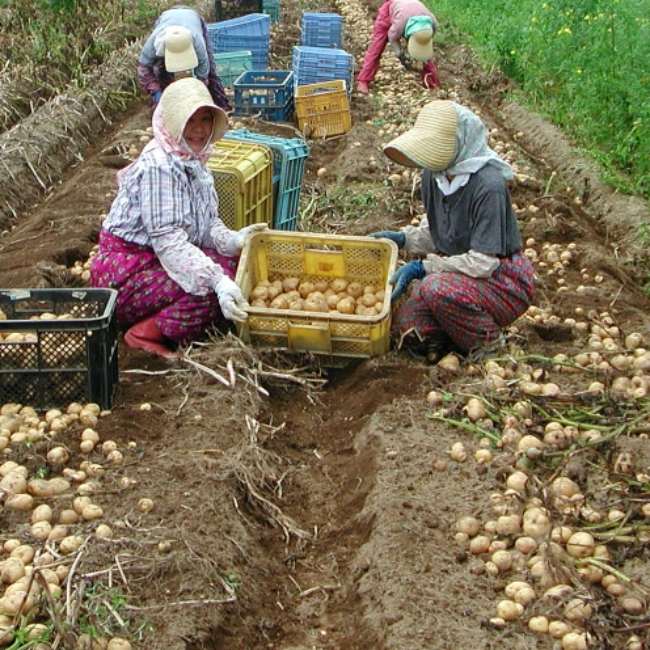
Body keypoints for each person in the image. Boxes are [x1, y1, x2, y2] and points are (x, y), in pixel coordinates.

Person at [90, 78, 266, 358]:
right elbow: (169, 242)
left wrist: (233, 240)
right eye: (190, 120)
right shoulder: (158, 166)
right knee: (211, 288)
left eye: (205, 119)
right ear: (173, 123)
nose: (199, 130)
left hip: (156, 260)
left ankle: (175, 318)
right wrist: (217, 281)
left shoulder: (193, 159)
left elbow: (206, 226)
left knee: (238, 265)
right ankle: (145, 332)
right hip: (127, 273)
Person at [371, 100, 535, 360]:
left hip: (501, 281)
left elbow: (483, 264)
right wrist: (402, 239)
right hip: (461, 276)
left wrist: (424, 268)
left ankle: (491, 347)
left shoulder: (488, 186)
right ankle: (455, 338)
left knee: (435, 287)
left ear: (461, 142)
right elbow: (439, 230)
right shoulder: (433, 175)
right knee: (407, 324)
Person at [137, 5, 230, 111]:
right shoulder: (155, 43)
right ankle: (164, 107)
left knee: (211, 72)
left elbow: (204, 69)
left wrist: (199, 90)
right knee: (160, 72)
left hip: (192, 17)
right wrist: (156, 91)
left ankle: (220, 106)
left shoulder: (197, 40)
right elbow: (143, 69)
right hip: (166, 18)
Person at [357, 0, 439, 95]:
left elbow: (428, 38)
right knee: (377, 47)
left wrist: (423, 42)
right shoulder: (401, 22)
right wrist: (400, 54)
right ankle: (363, 80)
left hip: (411, 17)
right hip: (389, 13)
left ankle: (432, 82)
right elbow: (392, 37)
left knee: (424, 53)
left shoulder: (432, 22)